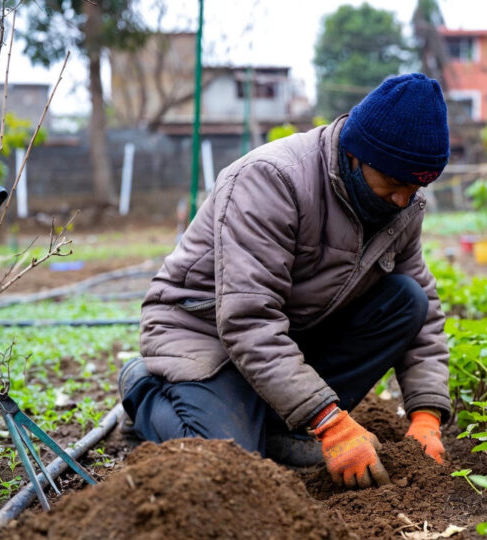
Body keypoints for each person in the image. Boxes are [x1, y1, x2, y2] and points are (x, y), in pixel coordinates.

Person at [119, 73, 451, 489]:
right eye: (396, 184)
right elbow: (248, 319)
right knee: (230, 467)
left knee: (407, 299)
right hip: (204, 334)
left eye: (418, 186)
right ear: (358, 155)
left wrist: (426, 417)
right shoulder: (272, 180)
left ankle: (282, 424)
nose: (404, 200)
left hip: (291, 332)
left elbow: (425, 314)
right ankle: (145, 391)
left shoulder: (401, 207)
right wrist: (331, 423)